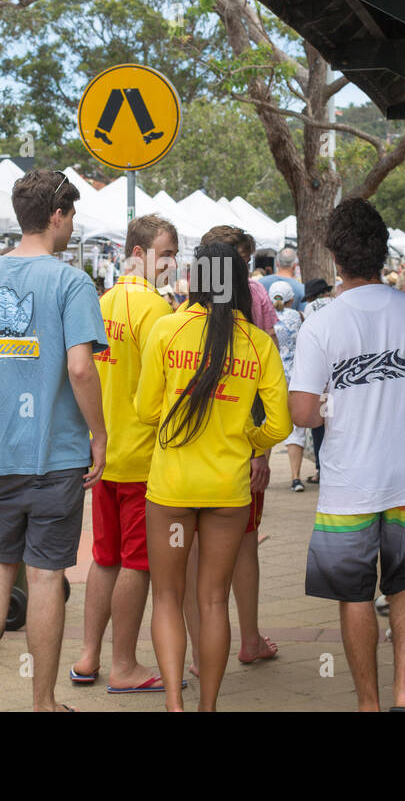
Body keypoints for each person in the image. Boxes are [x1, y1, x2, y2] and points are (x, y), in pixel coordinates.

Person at [289, 198, 405, 711]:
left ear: (335, 258)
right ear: (383, 253)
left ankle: (368, 703)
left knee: (355, 594)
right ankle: (404, 692)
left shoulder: (321, 324)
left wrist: (351, 395)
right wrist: (404, 388)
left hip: (350, 481)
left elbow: (302, 412)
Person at [0, 169, 108, 713]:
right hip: (55, 455)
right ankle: (41, 703)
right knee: (45, 576)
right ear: (58, 216)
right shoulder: (71, 283)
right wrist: (100, 434)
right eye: (72, 215)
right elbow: (81, 369)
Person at [136, 241, 291, 711]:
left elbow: (145, 410)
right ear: (241, 283)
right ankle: (208, 707)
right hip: (228, 490)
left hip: (172, 489)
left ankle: (173, 704)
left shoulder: (167, 329)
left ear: (196, 279)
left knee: (166, 596)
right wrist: (247, 438)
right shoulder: (259, 343)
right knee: (212, 602)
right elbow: (282, 425)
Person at [70, 215, 178, 694]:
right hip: (140, 459)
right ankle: (123, 664)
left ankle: (89, 656)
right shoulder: (157, 311)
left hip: (103, 453)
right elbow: (167, 390)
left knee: (104, 558)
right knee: (137, 564)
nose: (172, 264)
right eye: (166, 253)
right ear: (139, 253)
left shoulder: (101, 302)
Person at [184, 226, 279, 679]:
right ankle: (246, 639)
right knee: (240, 547)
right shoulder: (254, 308)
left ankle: (198, 656)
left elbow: (149, 406)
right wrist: (257, 446)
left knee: (187, 562)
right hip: (235, 459)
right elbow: (268, 388)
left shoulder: (174, 321)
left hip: (177, 471)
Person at [269, 280, 309, 492]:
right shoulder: (298, 317)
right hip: (295, 377)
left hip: (272, 376)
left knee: (265, 423)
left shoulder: (267, 319)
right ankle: (295, 477)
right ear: (292, 299)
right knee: (296, 428)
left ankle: (262, 474)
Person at [300, 278, 335, 485]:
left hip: (322, 376)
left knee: (320, 424)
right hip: (342, 374)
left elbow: (309, 339)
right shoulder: (339, 302)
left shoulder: (311, 307)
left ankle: (322, 469)